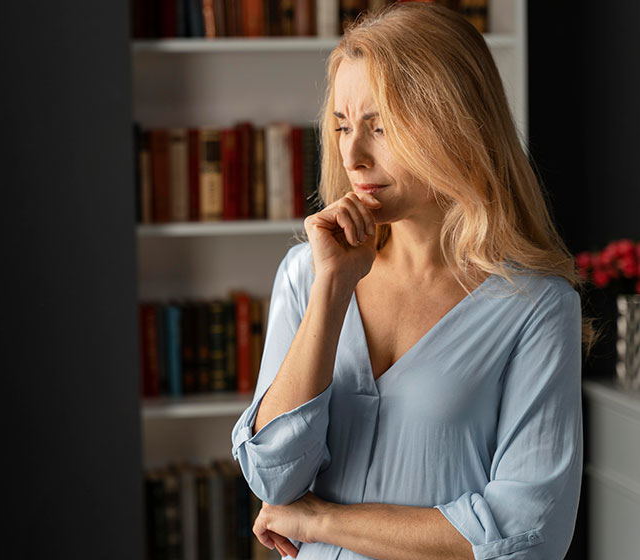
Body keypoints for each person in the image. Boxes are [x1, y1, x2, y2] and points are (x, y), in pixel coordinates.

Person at [231, 3, 597, 559]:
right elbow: (273, 479)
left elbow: (528, 536)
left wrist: (322, 520)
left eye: (380, 128)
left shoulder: (536, 307)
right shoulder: (309, 273)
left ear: (456, 124)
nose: (352, 155)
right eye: (343, 127)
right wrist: (332, 291)